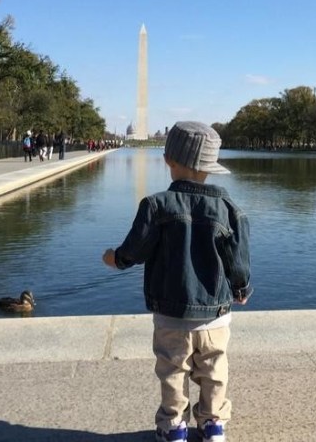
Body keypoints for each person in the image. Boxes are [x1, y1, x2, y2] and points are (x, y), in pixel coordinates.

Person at [102, 121, 251, 442]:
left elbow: (132, 252)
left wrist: (113, 257)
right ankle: (212, 423)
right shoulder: (229, 209)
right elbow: (238, 262)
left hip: (170, 313)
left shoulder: (156, 205)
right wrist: (241, 289)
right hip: (216, 313)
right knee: (214, 370)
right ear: (211, 167)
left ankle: (173, 426)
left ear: (169, 160)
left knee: (172, 371)